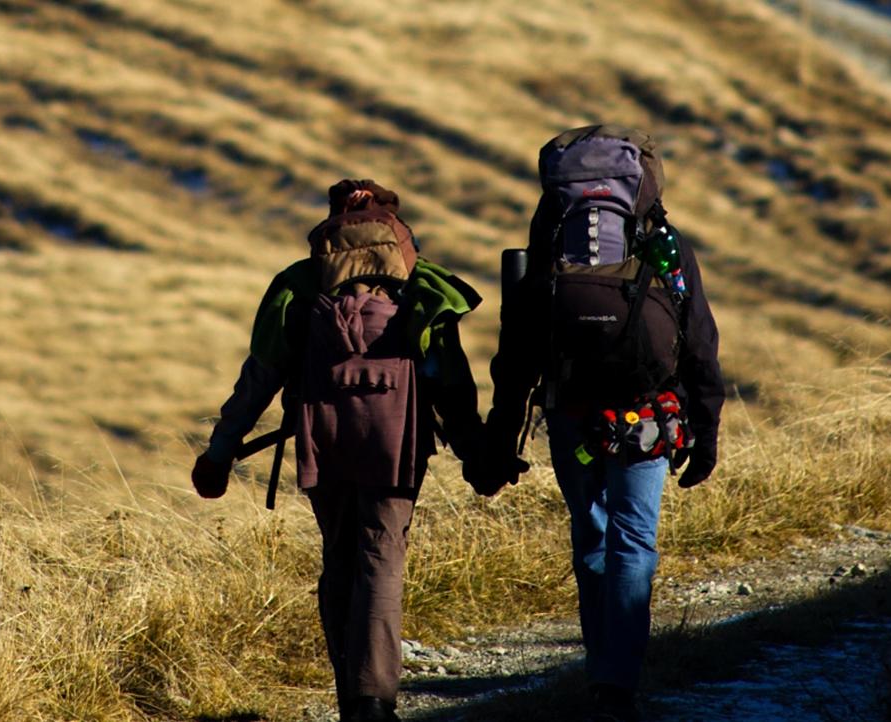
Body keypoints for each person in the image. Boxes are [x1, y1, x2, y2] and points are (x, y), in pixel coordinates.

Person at [191, 179, 494, 722]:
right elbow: (449, 378)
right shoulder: (423, 282)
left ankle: (349, 693)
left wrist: (219, 453)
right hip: (396, 439)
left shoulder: (298, 284)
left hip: (323, 436)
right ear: (394, 225)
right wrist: (477, 452)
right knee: (382, 555)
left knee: (339, 555)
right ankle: (371, 701)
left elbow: (259, 377)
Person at [481, 126, 725, 722]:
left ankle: (599, 673)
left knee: (591, 532)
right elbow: (698, 340)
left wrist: (502, 431)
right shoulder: (663, 242)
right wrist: (707, 430)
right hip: (647, 414)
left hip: (571, 412)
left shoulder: (550, 241)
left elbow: (519, 346)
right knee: (633, 539)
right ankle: (618, 683)